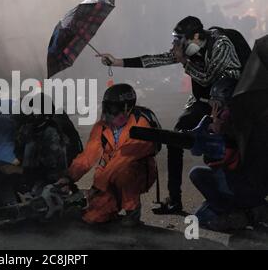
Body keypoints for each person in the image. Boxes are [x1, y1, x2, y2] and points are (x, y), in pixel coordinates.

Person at [98, 16, 244, 214]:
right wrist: (117, 62)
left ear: (194, 37)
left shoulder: (220, 45)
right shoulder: (186, 49)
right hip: (202, 102)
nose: (175, 45)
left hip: (230, 104)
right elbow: (156, 60)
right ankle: (175, 200)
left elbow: (209, 78)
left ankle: (238, 198)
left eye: (179, 40)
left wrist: (185, 62)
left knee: (229, 149)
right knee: (177, 138)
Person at [57, 84, 158, 226]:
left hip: (137, 172)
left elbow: (121, 160)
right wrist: (68, 178)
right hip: (109, 175)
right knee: (92, 217)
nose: (109, 113)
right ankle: (112, 208)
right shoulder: (102, 126)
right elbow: (88, 155)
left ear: (127, 108)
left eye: (114, 109)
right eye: (107, 107)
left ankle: (132, 211)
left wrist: (95, 189)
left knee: (124, 172)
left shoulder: (141, 126)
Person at [189, 77, 268, 231]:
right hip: (249, 182)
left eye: (217, 104)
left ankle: (247, 213)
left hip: (246, 184)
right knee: (202, 215)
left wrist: (217, 133)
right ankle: (250, 209)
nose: (214, 110)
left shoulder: (235, 126)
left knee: (198, 178)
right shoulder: (244, 120)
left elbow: (218, 160)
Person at [0, 93, 75, 207]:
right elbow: (22, 155)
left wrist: (17, 170)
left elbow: (50, 172)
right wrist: (13, 165)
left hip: (46, 181)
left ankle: (17, 206)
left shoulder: (51, 134)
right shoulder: (31, 129)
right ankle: (10, 204)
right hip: (30, 175)